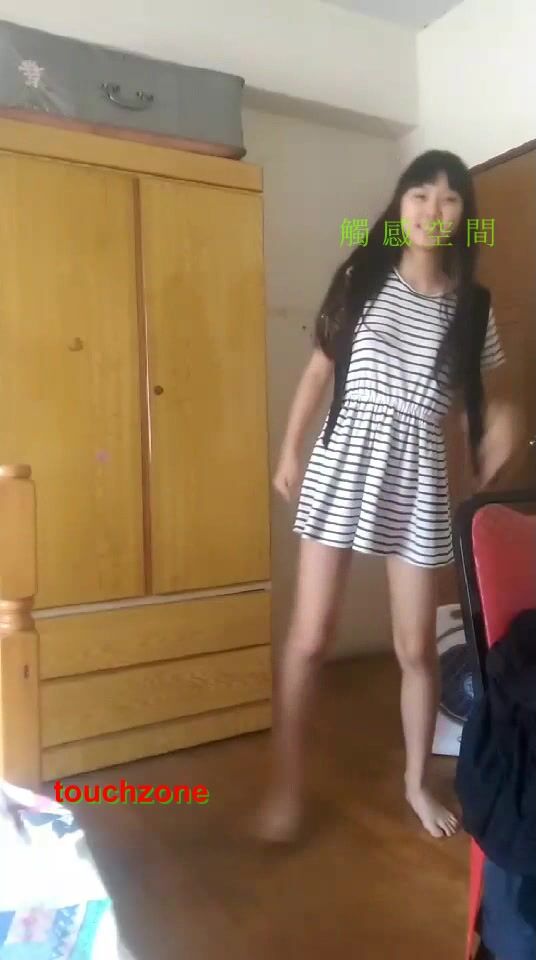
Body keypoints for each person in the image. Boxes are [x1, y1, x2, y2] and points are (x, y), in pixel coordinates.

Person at [257, 150, 520, 842]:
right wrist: (289, 449)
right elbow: (319, 371)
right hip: (343, 462)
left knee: (415, 648)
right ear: (400, 205)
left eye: (449, 199)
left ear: (464, 216)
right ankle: (286, 784)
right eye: (419, 194)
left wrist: (504, 427)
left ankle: (414, 783)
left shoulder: (474, 306)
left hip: (420, 479)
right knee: (310, 638)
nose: (433, 209)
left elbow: (485, 399)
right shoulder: (363, 274)